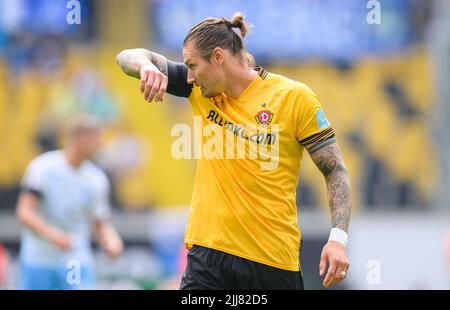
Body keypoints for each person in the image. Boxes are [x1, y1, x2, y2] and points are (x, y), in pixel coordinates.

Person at [116, 12, 351, 290]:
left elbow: (334, 169)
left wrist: (337, 238)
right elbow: (125, 57)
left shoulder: (293, 98)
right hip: (207, 255)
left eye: (193, 65)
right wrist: (146, 66)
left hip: (271, 261)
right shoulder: (199, 91)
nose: (189, 77)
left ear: (218, 57)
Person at [16, 115, 123, 290]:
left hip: (76, 259)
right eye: (96, 138)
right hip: (39, 258)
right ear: (79, 139)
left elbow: (99, 222)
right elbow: (24, 211)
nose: (100, 144)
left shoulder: (97, 179)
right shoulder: (43, 168)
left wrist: (111, 239)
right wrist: (53, 235)